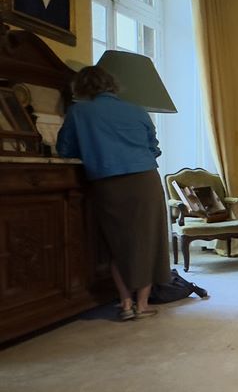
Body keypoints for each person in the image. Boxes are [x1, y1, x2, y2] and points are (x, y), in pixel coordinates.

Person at [56, 66, 169, 321]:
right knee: (147, 241)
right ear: (112, 84)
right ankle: (142, 304)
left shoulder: (78, 112)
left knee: (116, 243)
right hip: (145, 180)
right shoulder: (136, 110)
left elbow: (64, 149)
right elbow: (154, 147)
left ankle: (126, 303)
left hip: (107, 182)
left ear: (82, 87)